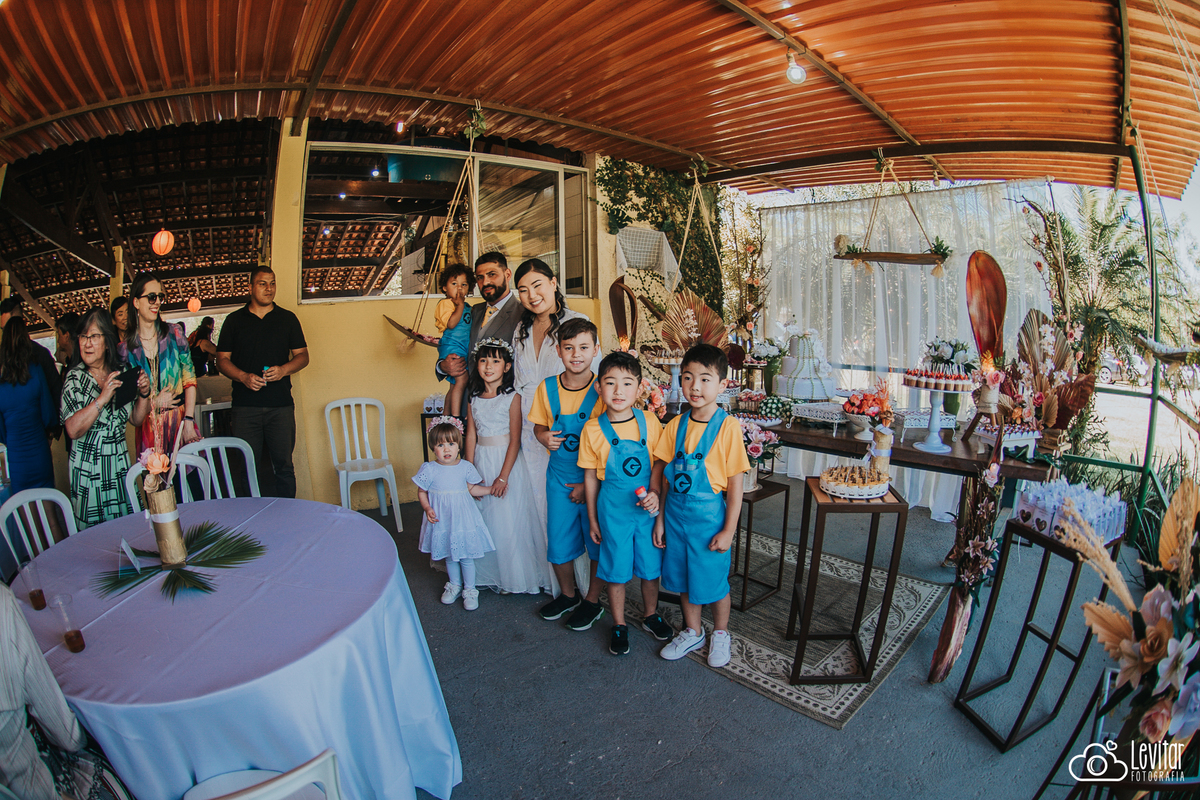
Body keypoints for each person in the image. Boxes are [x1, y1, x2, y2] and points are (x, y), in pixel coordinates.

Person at [653, 344, 749, 668]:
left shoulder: (728, 428)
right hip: (675, 516)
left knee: (713, 581)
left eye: (705, 379)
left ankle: (720, 633)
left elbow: (736, 486)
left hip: (709, 520)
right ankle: (693, 630)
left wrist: (728, 531)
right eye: (688, 377)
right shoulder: (675, 425)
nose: (695, 386)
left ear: (723, 385)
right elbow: (665, 477)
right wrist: (661, 520)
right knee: (681, 578)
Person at [510, 258, 595, 598]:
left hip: (571, 432)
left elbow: (593, 382)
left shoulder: (578, 323)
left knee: (574, 504)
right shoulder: (521, 329)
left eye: (537, 285)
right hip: (533, 430)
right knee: (539, 505)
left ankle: (587, 588)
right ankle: (554, 583)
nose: (532, 295)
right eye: (523, 290)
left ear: (554, 282)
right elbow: (517, 384)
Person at [580, 351, 672, 656]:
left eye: (627, 383)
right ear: (599, 387)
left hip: (647, 508)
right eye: (610, 383)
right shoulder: (593, 430)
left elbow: (659, 462)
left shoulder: (649, 420)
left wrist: (656, 494)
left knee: (650, 566)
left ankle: (650, 614)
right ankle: (619, 623)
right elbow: (591, 478)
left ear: (639, 388)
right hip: (613, 509)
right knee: (616, 568)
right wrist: (593, 519)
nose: (618, 391)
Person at [528, 317, 606, 628]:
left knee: (597, 542)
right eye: (569, 347)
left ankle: (592, 601)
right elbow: (538, 425)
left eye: (584, 347)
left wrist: (590, 487)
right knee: (558, 543)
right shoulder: (547, 388)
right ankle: (568, 594)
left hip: (596, 481)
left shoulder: (604, 388)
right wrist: (543, 436)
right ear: (558, 350)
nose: (576, 354)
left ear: (596, 350)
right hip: (558, 478)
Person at [464, 337, 552, 595]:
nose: (488, 366)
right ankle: (489, 572)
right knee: (486, 518)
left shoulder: (512, 398)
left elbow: (515, 439)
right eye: (483, 360)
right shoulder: (474, 398)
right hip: (481, 458)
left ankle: (515, 576)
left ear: (506, 366)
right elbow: (470, 435)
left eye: (495, 361)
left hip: (506, 462)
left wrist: (502, 477)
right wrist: (469, 471)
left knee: (508, 519)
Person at [216, 265, 309, 498]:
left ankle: (288, 517)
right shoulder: (234, 321)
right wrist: (243, 377)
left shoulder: (287, 318)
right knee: (247, 468)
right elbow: (221, 360)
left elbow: (303, 356)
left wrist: (283, 369)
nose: (269, 289)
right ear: (250, 287)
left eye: (273, 283)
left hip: (281, 406)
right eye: (262, 283)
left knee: (284, 468)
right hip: (245, 408)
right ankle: (253, 525)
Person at [62, 308, 151, 527]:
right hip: (88, 470)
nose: (87, 343)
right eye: (83, 336)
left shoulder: (121, 372)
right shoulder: (74, 379)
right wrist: (102, 398)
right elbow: (73, 430)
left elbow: (136, 419)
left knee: (128, 531)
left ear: (107, 340)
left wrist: (145, 394)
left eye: (93, 336)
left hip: (119, 466)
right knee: (95, 539)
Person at [413, 418, 495, 611]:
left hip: (462, 519)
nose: (446, 449)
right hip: (442, 520)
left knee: (466, 556)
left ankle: (470, 589)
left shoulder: (465, 467)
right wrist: (427, 508)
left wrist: (491, 489)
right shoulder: (429, 469)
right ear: (433, 448)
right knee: (449, 555)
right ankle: (454, 585)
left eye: (451, 444)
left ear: (459, 445)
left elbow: (472, 489)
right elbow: (421, 491)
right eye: (441, 445)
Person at [119, 272, 200, 455]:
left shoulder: (175, 334)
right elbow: (133, 417)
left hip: (181, 427)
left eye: (160, 297)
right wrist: (154, 403)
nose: (157, 302)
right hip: (149, 438)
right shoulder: (125, 351)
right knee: (156, 483)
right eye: (151, 297)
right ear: (136, 302)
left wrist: (189, 421)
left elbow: (190, 380)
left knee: (190, 481)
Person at [437, 252, 523, 384]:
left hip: (501, 400)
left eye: (492, 274)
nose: (485, 282)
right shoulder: (472, 311)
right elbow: (452, 339)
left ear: (507, 275)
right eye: (480, 277)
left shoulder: (523, 314)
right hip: (465, 399)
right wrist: (443, 366)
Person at [0, 317, 56, 492]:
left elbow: (1, 429)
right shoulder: (35, 369)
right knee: (50, 515)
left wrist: (11, 440)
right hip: (39, 448)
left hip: (17, 455)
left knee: (25, 512)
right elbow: (48, 414)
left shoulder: (1, 380)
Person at [434, 264, 475, 416]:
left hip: (462, 348)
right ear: (444, 287)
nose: (459, 289)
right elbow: (451, 323)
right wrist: (459, 305)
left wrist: (462, 306)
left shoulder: (467, 307)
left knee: (453, 385)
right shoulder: (446, 304)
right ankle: (456, 418)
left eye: (464, 285)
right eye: (454, 284)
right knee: (462, 378)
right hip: (452, 346)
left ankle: (446, 416)